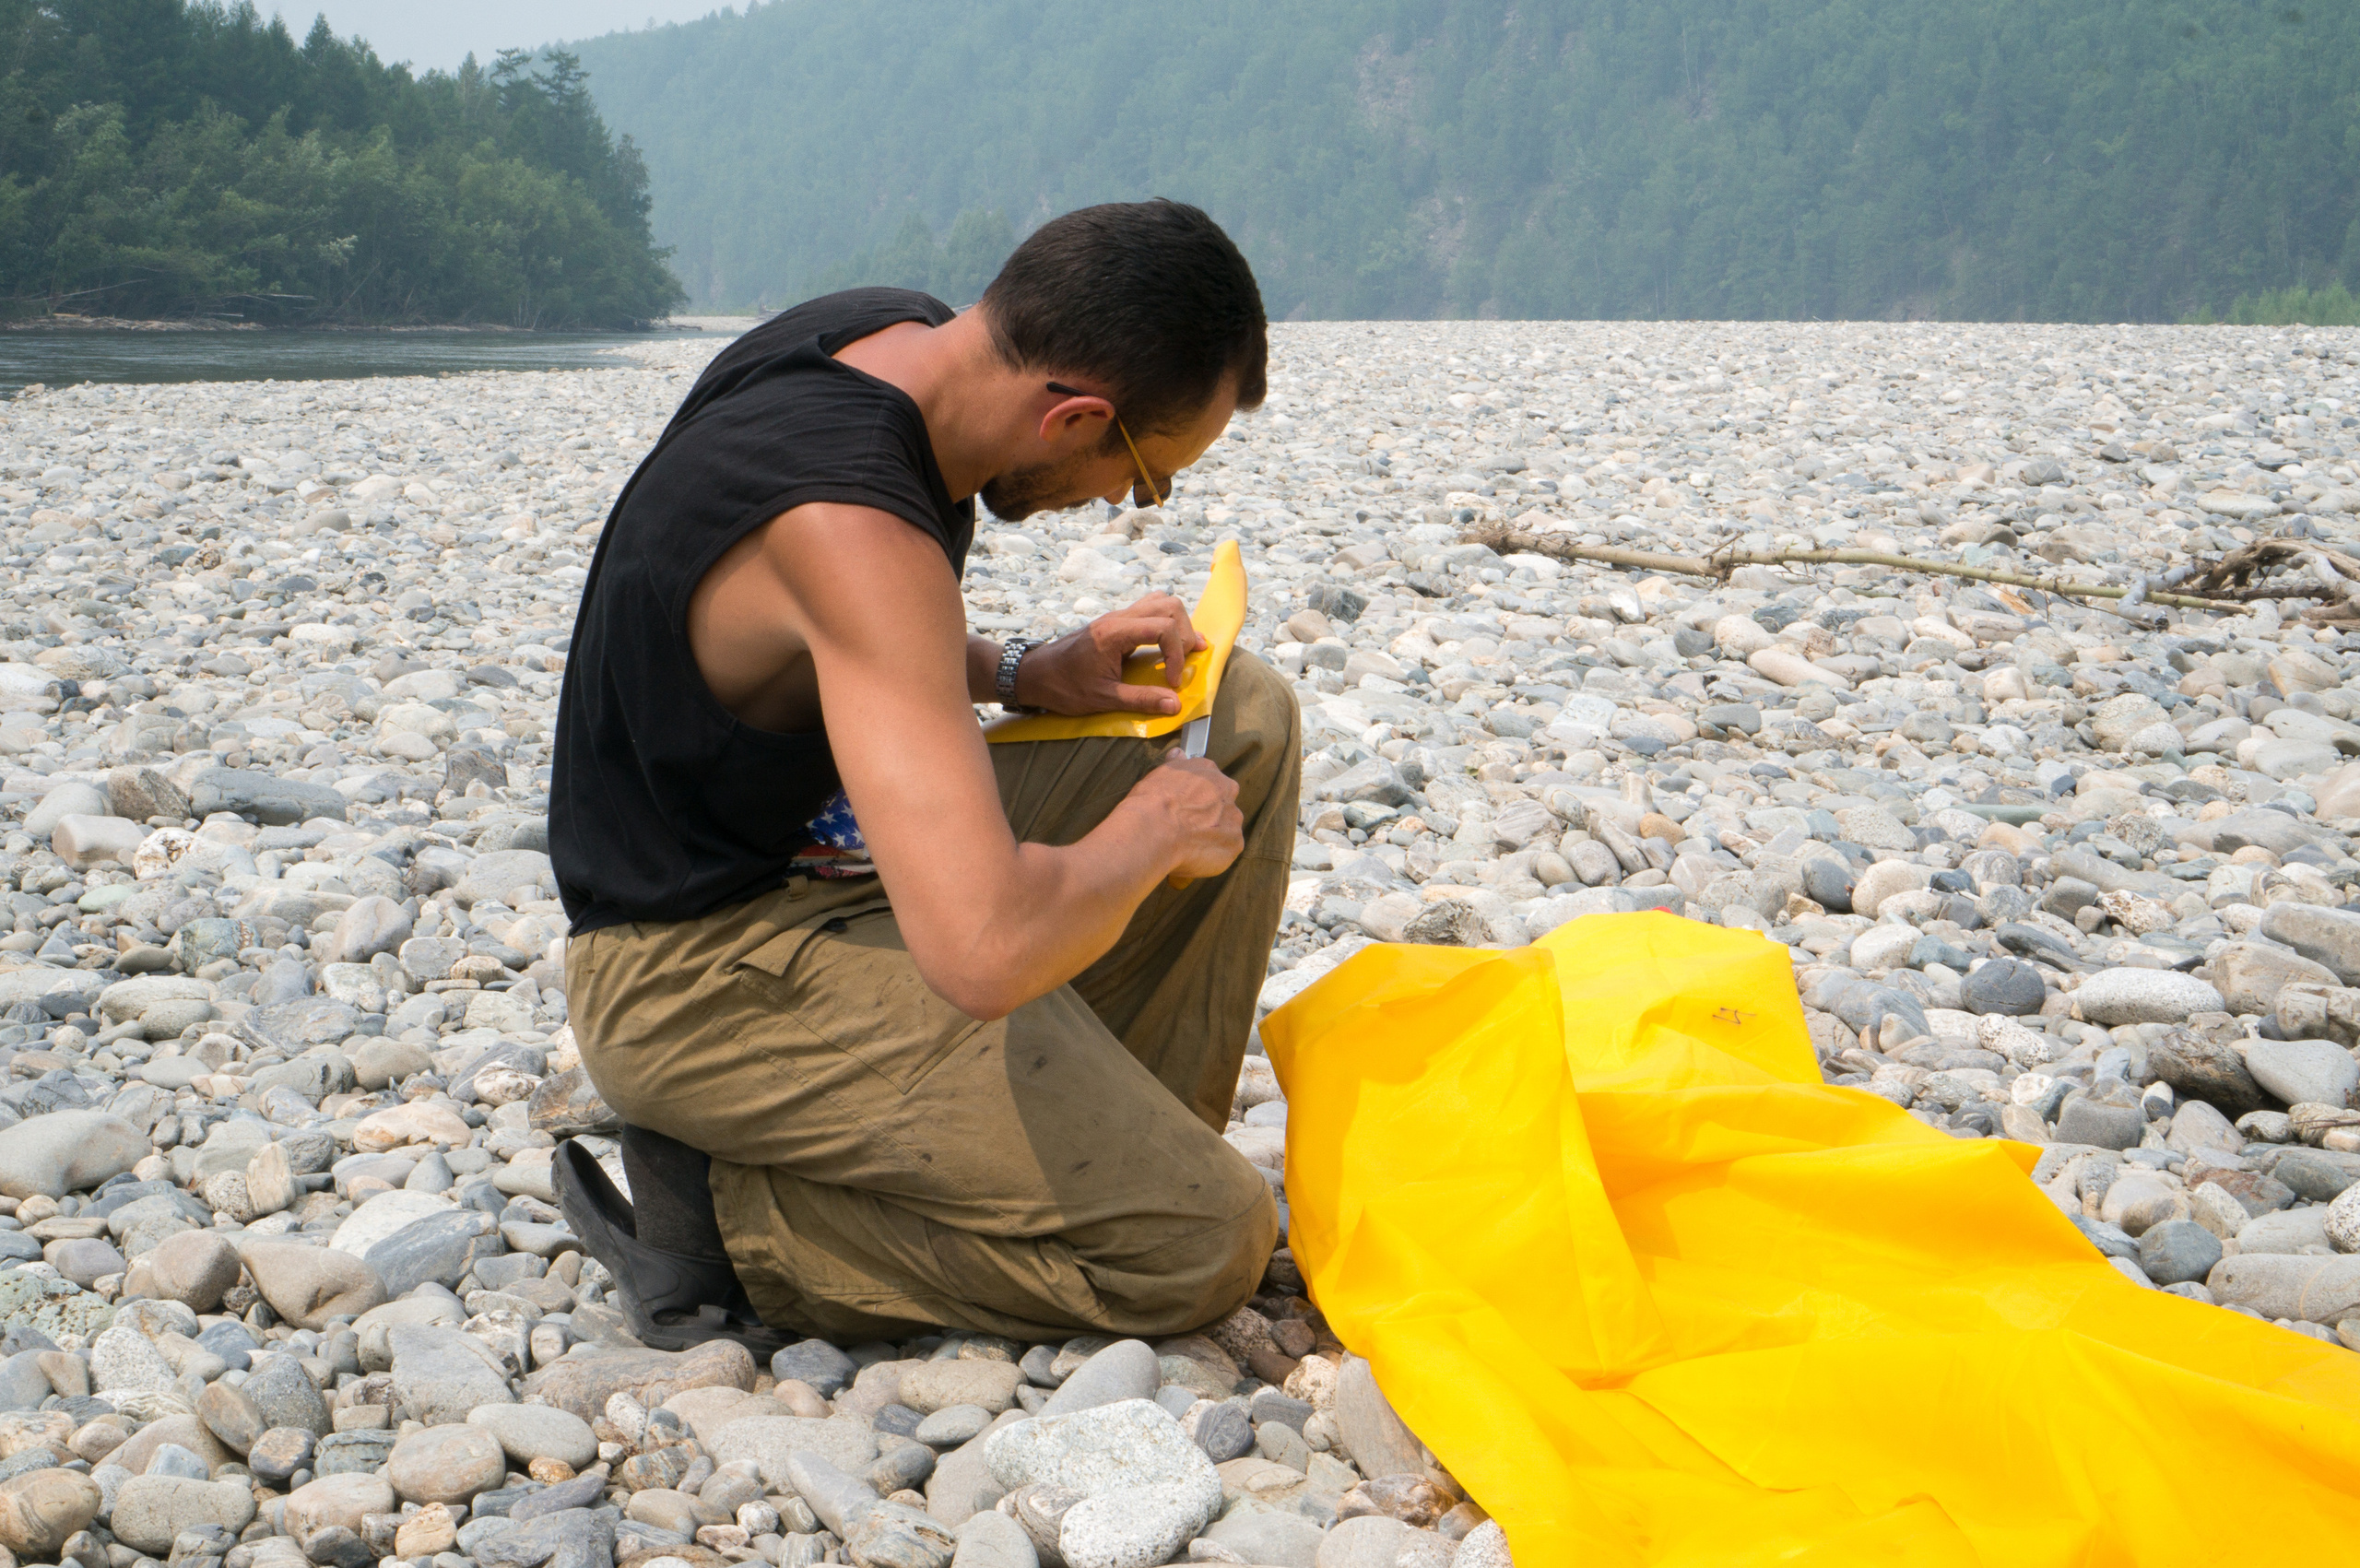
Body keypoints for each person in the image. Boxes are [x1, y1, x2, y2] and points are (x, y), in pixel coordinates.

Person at [548, 199, 1299, 1349]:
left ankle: (1100, 1148)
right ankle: (726, 1214)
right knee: (1202, 1248)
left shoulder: (881, 339)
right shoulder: (852, 522)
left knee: (1238, 716)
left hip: (820, 845)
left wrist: (1020, 668)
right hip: (691, 965)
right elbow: (985, 950)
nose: (1124, 505)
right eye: (1143, 477)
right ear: (1079, 416)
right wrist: (1144, 833)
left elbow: (816, 631)